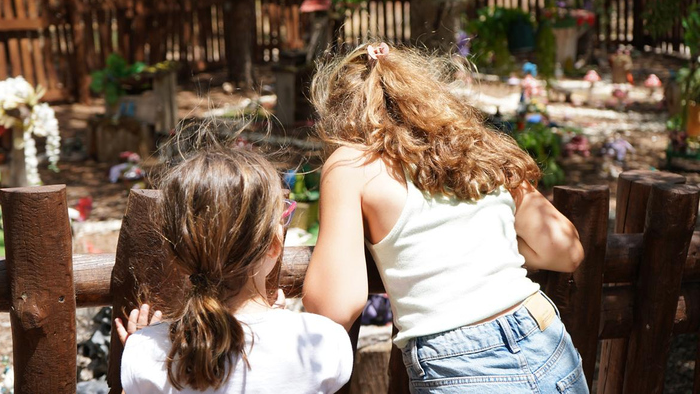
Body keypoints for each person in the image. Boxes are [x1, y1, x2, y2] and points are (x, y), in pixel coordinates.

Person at [303, 42, 588, 393]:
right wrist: (488, 244)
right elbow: (565, 250)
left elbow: (335, 306)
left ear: (338, 113)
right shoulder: (478, 147)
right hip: (543, 335)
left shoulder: (351, 165)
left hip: (458, 362)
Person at [118, 147, 353, 394]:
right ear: (274, 245)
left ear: (177, 256)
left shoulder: (146, 354)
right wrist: (280, 326)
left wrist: (141, 360)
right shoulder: (322, 341)